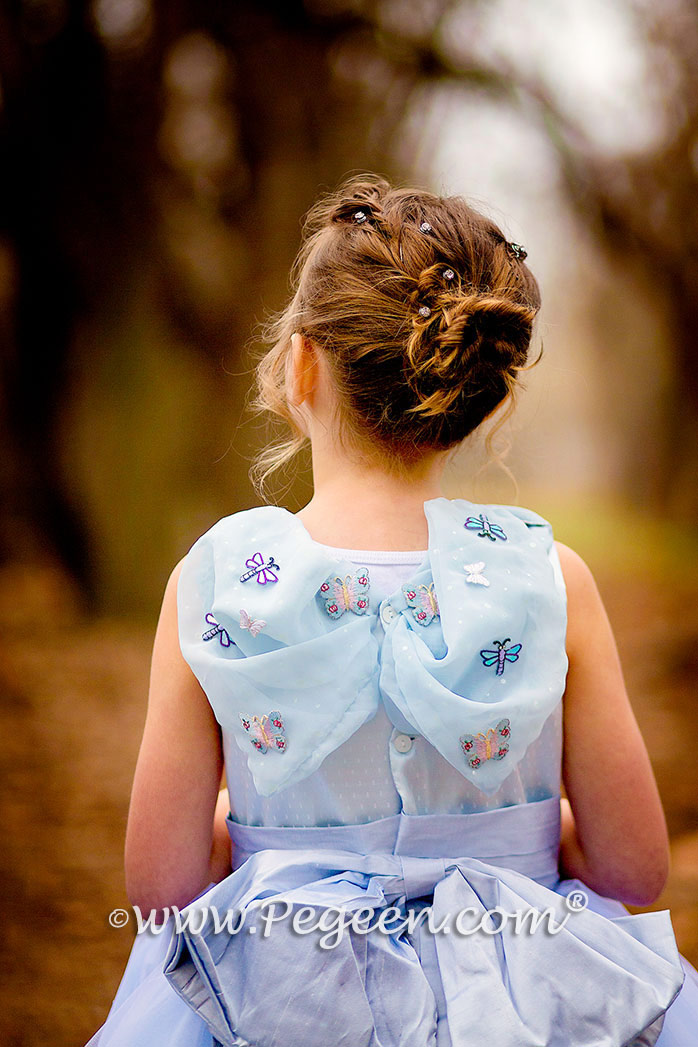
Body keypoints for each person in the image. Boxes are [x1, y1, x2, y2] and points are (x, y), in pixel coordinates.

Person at [86, 174, 698, 1047]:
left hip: (282, 1002)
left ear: (302, 364)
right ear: (474, 392)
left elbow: (163, 889)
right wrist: (512, 834)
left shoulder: (216, 583)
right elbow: (633, 866)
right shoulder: (550, 579)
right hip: (527, 1000)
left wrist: (263, 833)